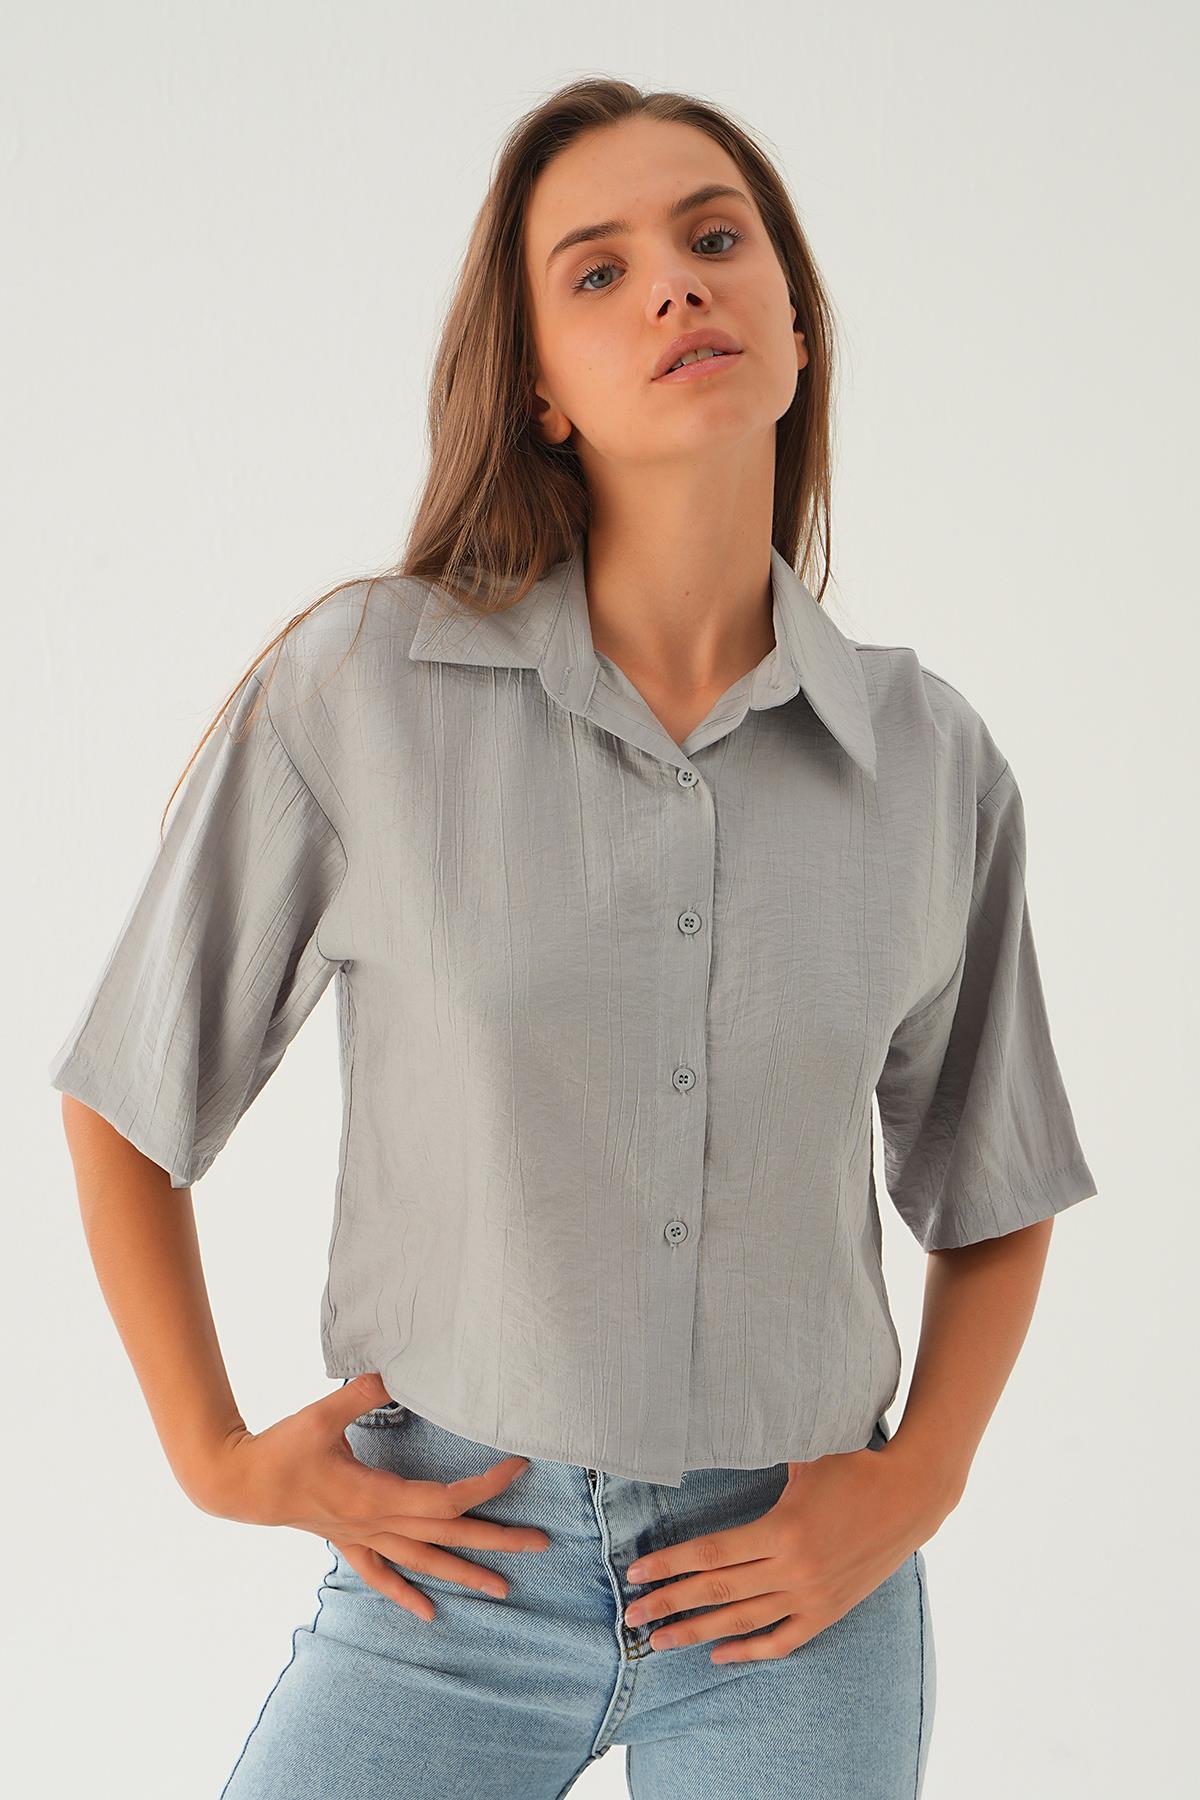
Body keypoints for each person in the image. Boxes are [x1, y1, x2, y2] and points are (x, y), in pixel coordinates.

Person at [48, 77, 1098, 1799]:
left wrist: (916, 1484)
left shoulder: (930, 762)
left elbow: (997, 1186)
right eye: (598, 271)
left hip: (795, 1588)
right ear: (538, 386)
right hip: (451, 1565)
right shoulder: (359, 693)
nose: (677, 283)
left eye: (716, 239)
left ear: (795, 321)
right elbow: (127, 1099)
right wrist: (214, 1455)